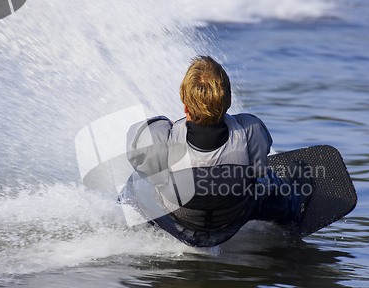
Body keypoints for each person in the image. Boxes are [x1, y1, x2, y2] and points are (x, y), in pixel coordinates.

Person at [119, 56, 311, 247]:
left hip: (176, 221)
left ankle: (125, 223)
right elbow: (258, 169)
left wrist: (163, 123)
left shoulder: (160, 136)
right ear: (228, 102)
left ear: (185, 105)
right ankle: (294, 210)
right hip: (231, 220)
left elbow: (136, 152)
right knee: (266, 180)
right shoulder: (251, 130)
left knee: (137, 180)